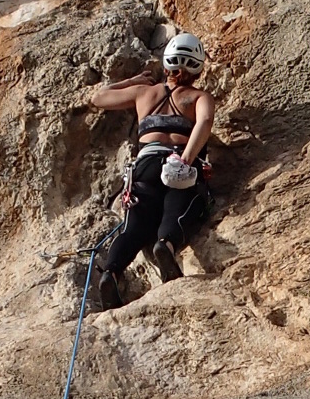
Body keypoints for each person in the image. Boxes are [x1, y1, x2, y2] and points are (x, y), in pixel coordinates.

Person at [86, 31, 216, 309]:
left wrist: (132, 81)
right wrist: (185, 160)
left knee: (135, 225)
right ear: (198, 67)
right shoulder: (199, 97)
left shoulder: (144, 93)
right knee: (181, 203)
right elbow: (204, 123)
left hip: (144, 165)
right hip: (178, 158)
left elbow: (98, 98)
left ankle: (111, 272)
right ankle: (166, 245)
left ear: (166, 63)